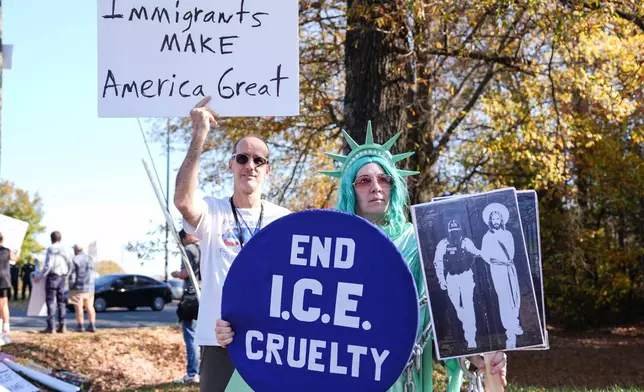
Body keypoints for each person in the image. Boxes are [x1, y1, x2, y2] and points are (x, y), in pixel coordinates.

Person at [216, 122, 508, 392]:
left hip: (395, 375)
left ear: (394, 185)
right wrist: (238, 326)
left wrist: (475, 352)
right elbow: (285, 303)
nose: (376, 186)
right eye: (364, 181)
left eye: (383, 178)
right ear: (350, 190)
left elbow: (443, 311)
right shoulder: (323, 243)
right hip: (337, 373)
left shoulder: (417, 242)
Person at [174, 96, 291, 392]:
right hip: (220, 342)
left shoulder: (285, 220)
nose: (249, 165)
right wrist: (200, 133)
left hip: (270, 345)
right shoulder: (214, 211)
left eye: (258, 160)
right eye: (242, 158)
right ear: (231, 165)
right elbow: (182, 201)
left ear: (267, 170)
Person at [433, 219, 482, 349]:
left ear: (460, 229)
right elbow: (438, 262)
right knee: (458, 307)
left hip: (466, 276)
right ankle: (466, 322)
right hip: (452, 278)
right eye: (452, 230)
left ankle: (471, 338)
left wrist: (485, 253)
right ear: (448, 231)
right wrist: (441, 280)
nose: (454, 232)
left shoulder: (466, 241)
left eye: (456, 230)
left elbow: (476, 252)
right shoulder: (443, 244)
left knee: (468, 305)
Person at [480, 203, 522, 349]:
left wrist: (508, 262)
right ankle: (510, 333)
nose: (496, 221)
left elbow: (512, 251)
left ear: (502, 220)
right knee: (504, 300)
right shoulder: (487, 236)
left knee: (515, 297)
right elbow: (485, 254)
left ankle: (515, 323)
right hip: (498, 270)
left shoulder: (508, 234)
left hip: (510, 268)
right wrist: (496, 261)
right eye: (494, 218)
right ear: (490, 221)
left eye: (498, 218)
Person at [172, 229, 201, 384]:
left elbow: (185, 273)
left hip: (191, 298)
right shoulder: (206, 248)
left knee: (191, 337)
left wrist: (176, 273)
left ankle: (192, 374)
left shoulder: (189, 250)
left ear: (186, 237)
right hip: (205, 297)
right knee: (204, 337)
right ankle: (204, 372)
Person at [34, 231, 72, 334]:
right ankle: (62, 325)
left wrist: (39, 276)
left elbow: (48, 265)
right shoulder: (66, 249)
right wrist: (67, 274)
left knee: (50, 301)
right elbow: (70, 263)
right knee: (61, 302)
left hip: (53, 277)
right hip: (62, 278)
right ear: (60, 238)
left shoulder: (51, 249)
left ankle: (51, 327)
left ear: (51, 238)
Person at [69, 244, 97, 332]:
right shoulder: (90, 259)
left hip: (79, 287)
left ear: (76, 250)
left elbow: (73, 275)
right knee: (90, 306)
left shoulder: (75, 259)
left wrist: (71, 286)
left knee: (79, 307)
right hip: (90, 287)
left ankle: (80, 325)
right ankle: (92, 325)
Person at [0, 233, 18, 337]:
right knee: (4, 303)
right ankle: (6, 327)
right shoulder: (7, 250)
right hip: (4, 279)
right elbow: (15, 259)